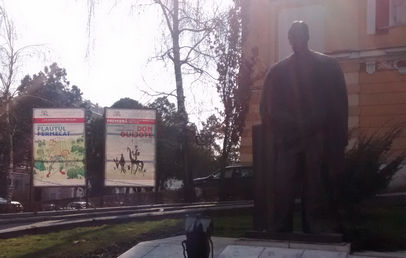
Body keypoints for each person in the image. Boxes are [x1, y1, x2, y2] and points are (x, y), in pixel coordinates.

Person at [260, 21, 348, 233]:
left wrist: (336, 138)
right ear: (289, 40)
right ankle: (280, 230)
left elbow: (338, 105)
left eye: (300, 36)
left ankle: (315, 229)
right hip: (288, 140)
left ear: (307, 37)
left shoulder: (328, 66)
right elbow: (269, 108)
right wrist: (294, 125)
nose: (296, 40)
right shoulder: (277, 71)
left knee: (316, 188)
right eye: (293, 37)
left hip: (317, 140)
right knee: (283, 188)